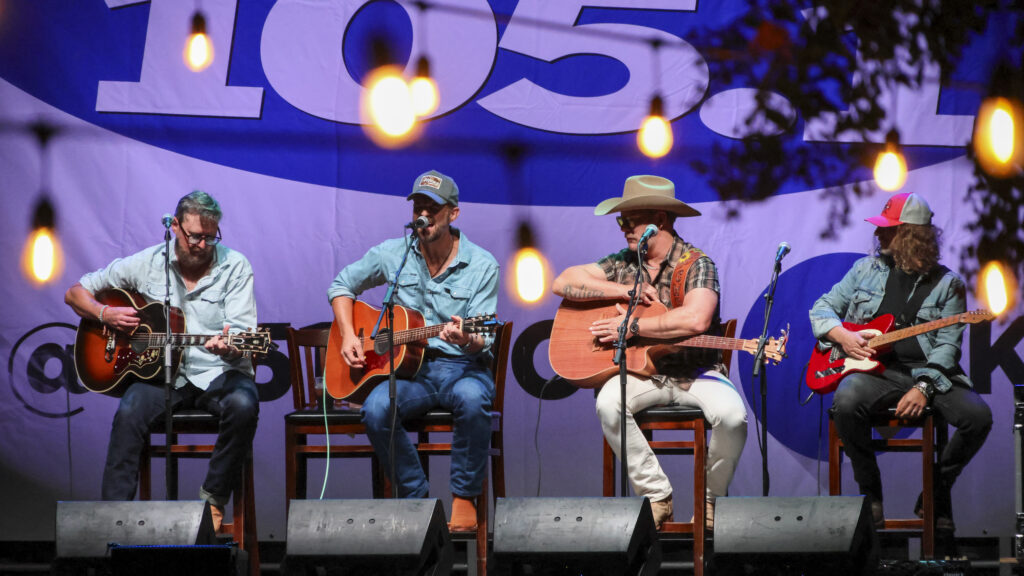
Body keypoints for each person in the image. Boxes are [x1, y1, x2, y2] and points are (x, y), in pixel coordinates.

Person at [552, 175, 748, 530]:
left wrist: (633, 328)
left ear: (659, 220)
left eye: (632, 219)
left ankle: (709, 502)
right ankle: (657, 496)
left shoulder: (697, 264)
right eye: (622, 220)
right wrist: (622, 290)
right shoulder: (623, 263)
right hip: (643, 374)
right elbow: (562, 282)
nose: (624, 227)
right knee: (607, 404)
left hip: (697, 374)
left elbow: (696, 318)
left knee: (733, 417)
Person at [65, 191, 259, 530]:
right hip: (163, 377)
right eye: (195, 236)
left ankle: (212, 500)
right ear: (175, 227)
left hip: (219, 372)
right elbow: (75, 292)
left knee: (244, 404)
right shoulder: (148, 262)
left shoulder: (235, 266)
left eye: (210, 237)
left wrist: (230, 346)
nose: (202, 244)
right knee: (128, 411)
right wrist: (105, 313)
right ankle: (113, 517)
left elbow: (242, 335)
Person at [810, 192, 992, 533]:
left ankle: (936, 491)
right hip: (876, 373)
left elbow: (948, 348)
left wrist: (923, 388)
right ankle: (871, 495)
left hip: (930, 375)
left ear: (909, 235)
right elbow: (822, 307)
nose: (878, 234)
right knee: (846, 401)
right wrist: (842, 336)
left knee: (978, 417)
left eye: (888, 229)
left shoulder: (948, 284)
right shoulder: (865, 270)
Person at [327, 169, 499, 531]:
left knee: (473, 400)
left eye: (432, 209)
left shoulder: (482, 264)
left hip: (462, 366)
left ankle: (464, 497)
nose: (423, 216)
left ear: (453, 213)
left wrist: (467, 338)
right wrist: (347, 335)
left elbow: (486, 336)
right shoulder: (394, 253)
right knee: (376, 409)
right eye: (418, 207)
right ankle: (415, 497)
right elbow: (342, 286)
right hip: (410, 371)